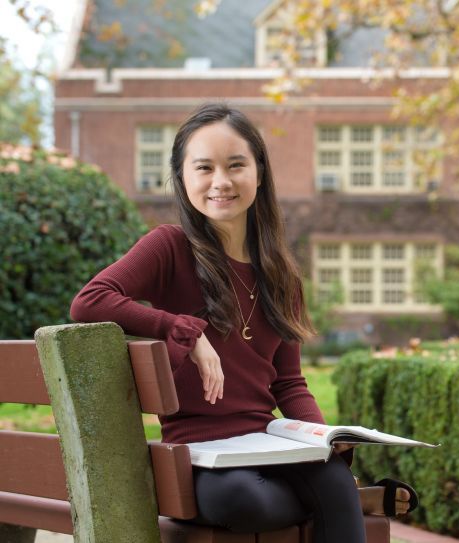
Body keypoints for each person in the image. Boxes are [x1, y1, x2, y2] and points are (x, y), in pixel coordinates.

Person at [70, 102, 417, 542]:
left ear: (259, 173)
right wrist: (183, 330)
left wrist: (321, 435)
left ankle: (345, 494)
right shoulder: (169, 247)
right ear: (182, 178)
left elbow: (288, 382)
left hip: (268, 444)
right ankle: (356, 498)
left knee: (329, 475)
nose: (221, 182)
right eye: (204, 168)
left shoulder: (280, 274)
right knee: (246, 501)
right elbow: (90, 300)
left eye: (236, 165)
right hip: (201, 455)